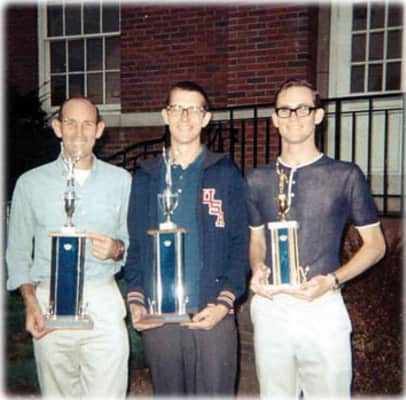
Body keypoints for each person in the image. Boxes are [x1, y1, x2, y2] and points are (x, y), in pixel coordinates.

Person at [246, 79, 386, 399]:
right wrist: (257, 268)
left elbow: (376, 245)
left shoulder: (345, 175)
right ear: (275, 119)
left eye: (303, 109)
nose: (294, 116)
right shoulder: (256, 179)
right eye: (285, 110)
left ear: (318, 116)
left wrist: (332, 280)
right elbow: (257, 240)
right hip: (272, 306)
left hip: (322, 306)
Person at [124, 81, 249, 395]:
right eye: (177, 108)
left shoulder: (225, 172)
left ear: (206, 118)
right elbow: (135, 245)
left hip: (212, 309)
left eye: (193, 109)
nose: (184, 117)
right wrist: (136, 300)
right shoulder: (146, 176)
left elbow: (241, 243)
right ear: (165, 115)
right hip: (160, 314)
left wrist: (225, 300)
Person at [6, 96, 131, 398]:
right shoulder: (30, 183)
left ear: (99, 130)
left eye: (87, 124)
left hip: (102, 297)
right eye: (71, 123)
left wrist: (116, 249)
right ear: (57, 127)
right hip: (49, 299)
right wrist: (31, 302)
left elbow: (131, 244)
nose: (79, 132)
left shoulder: (121, 181)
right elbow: (18, 252)